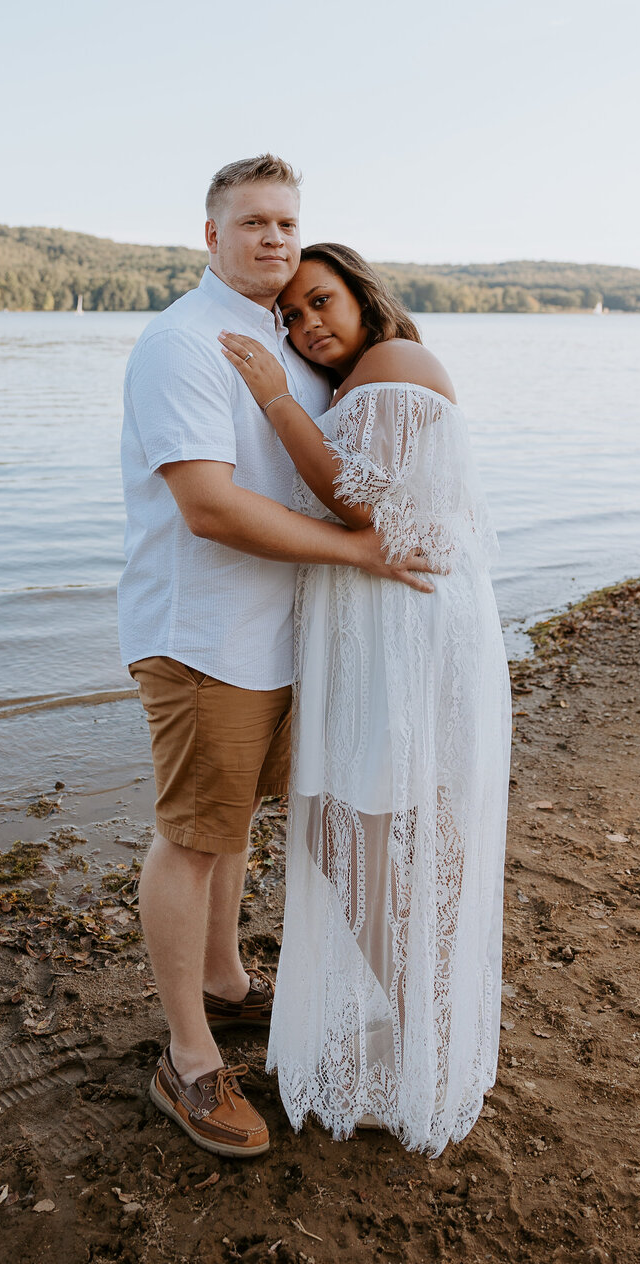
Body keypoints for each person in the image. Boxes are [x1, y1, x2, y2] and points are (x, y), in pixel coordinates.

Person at [118, 157, 439, 1160]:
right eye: (251, 222)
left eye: (287, 224)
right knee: (193, 836)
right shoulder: (181, 343)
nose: (272, 240)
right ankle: (188, 1059)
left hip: (288, 636)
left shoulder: (291, 341)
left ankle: (224, 983)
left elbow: (329, 470)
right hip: (206, 634)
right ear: (208, 235)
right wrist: (358, 550)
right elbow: (208, 507)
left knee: (238, 827)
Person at [218, 242, 511, 1155]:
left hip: (405, 628)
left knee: (361, 828)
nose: (307, 327)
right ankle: (431, 1013)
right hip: (394, 628)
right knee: (386, 825)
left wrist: (271, 392)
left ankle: (425, 1029)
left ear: (363, 296)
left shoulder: (394, 360)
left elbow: (358, 501)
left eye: (321, 302)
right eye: (293, 320)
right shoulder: (362, 384)